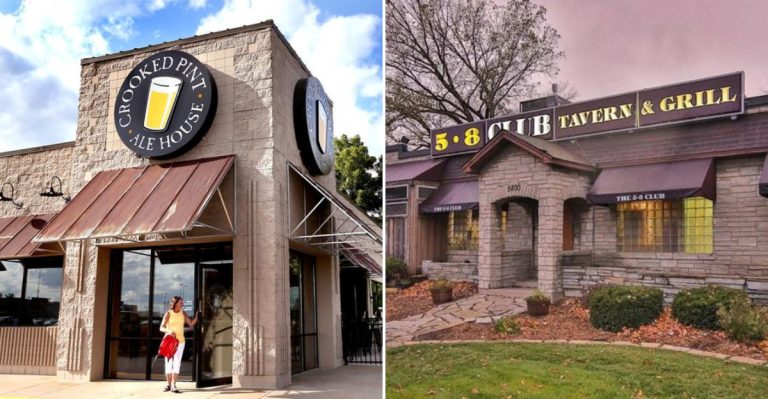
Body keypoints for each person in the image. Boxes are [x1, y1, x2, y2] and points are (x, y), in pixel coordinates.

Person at [159, 296, 199, 393]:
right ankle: (168, 384)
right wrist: (169, 331)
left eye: (182, 302)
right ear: (175, 303)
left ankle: (174, 385)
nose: (183, 304)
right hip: (169, 342)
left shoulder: (183, 313)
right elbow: (161, 328)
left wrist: (198, 316)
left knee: (177, 363)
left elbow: (191, 324)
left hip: (180, 342)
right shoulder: (168, 314)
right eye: (181, 302)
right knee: (168, 364)